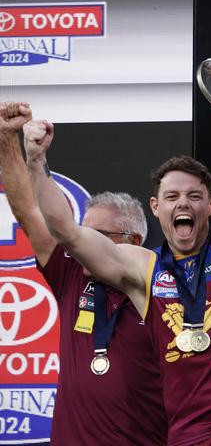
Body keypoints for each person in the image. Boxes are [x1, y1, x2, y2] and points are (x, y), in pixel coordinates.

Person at [21, 108, 211, 444]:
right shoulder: (144, 269)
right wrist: (36, 161)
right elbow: (67, 232)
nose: (183, 204)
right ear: (156, 207)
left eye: (194, 196)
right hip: (186, 434)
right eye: (172, 197)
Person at [0, 101, 167, 445]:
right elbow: (28, 211)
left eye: (97, 237)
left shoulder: (163, 287)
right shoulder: (72, 274)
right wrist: (6, 138)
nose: (81, 245)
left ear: (134, 241)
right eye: (80, 234)